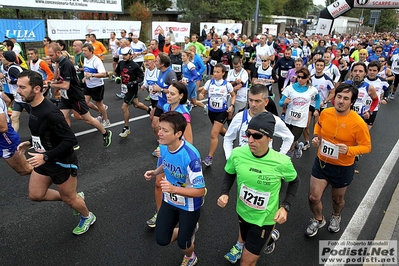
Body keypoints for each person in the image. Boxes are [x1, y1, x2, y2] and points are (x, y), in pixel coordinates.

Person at [16, 70, 96, 235]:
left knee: (69, 199)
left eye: (22, 87)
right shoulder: (33, 108)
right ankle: (75, 197)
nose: (18, 90)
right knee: (36, 195)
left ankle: (87, 216)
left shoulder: (51, 113)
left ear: (36, 89)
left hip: (62, 162)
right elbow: (45, 132)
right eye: (18, 86)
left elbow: (70, 140)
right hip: (44, 160)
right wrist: (30, 142)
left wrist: (46, 156)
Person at [218, 112, 300, 266]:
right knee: (247, 244)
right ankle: (266, 241)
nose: (250, 140)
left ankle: (268, 237)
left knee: (246, 262)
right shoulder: (237, 154)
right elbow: (229, 173)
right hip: (242, 213)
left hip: (264, 220)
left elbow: (295, 182)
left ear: (270, 138)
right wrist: (224, 193)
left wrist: (285, 207)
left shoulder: (281, 162)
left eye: (257, 136)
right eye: (248, 134)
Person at [305, 83, 372, 237]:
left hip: (343, 167)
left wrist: (350, 150)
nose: (341, 101)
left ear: (352, 102)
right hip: (321, 162)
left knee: (337, 198)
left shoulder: (358, 123)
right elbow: (318, 127)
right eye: (339, 97)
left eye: (346, 98)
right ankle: (318, 219)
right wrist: (316, 137)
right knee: (313, 197)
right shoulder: (326, 113)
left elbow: (367, 146)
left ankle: (336, 216)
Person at [144, 111, 205, 266]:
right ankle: (189, 230)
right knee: (161, 239)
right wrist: (155, 172)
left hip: (189, 205)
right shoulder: (163, 146)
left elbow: (200, 191)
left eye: (165, 130)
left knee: (183, 244)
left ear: (178, 133)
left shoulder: (191, 157)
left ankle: (190, 256)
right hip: (170, 201)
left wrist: (173, 189)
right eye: (160, 129)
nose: (160, 133)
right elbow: (167, 164)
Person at [146, 83, 194, 228]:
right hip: (165, 152)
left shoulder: (184, 114)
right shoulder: (167, 107)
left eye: (173, 94)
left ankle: (192, 205)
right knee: (158, 183)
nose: (168, 96)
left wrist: (173, 149)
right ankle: (160, 214)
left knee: (180, 184)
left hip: (177, 154)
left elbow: (189, 141)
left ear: (181, 96)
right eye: (168, 93)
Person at [46, 43, 112, 148]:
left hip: (75, 97)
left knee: (88, 119)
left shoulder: (67, 64)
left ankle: (105, 133)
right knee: (61, 118)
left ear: (58, 52)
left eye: (51, 55)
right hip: (66, 97)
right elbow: (56, 79)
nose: (49, 58)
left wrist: (51, 85)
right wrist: (56, 68)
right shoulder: (60, 63)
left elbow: (66, 85)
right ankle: (71, 140)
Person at [199, 63, 236, 166]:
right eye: (214, 72)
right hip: (211, 112)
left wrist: (231, 105)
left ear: (223, 73)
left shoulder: (227, 84)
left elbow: (233, 95)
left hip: (222, 112)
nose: (215, 74)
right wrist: (201, 95)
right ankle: (230, 137)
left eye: (218, 72)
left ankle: (209, 157)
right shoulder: (209, 83)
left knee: (213, 134)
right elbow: (202, 92)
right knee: (219, 130)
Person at [279, 67, 320, 158]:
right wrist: (284, 102)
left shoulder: (312, 89)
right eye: (299, 77)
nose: (300, 79)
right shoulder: (289, 88)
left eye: (303, 77)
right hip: (289, 119)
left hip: (301, 121)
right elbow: (280, 103)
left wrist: (317, 109)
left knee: (291, 140)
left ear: (308, 77)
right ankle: (298, 146)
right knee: (286, 139)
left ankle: (286, 160)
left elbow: (317, 98)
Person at [115, 47, 149, 138]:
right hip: (124, 88)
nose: (124, 56)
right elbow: (117, 73)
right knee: (136, 104)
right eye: (123, 55)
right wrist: (117, 78)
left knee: (124, 107)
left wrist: (134, 82)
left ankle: (126, 128)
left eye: (126, 55)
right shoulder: (121, 63)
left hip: (132, 89)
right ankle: (149, 110)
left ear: (130, 55)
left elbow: (142, 77)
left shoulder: (135, 65)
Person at [150, 53, 177, 151]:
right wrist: (155, 89)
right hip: (160, 103)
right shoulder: (160, 71)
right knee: (154, 125)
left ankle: (166, 145)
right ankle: (162, 143)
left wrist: (160, 89)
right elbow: (160, 85)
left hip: (168, 105)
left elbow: (174, 90)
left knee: (168, 127)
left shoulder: (170, 73)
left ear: (162, 64)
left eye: (156, 61)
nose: (154, 62)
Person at [0, 94, 32, 175]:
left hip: (4, 138)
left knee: (25, 170)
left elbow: (3, 128)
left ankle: (55, 172)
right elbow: (7, 100)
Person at [82, 43, 110, 127]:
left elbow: (104, 74)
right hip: (88, 85)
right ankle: (101, 110)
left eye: (85, 51)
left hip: (97, 86)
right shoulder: (85, 59)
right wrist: (85, 77)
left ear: (91, 51)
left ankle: (106, 120)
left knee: (99, 104)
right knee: (84, 102)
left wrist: (92, 75)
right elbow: (86, 71)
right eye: (83, 51)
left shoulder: (97, 61)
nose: (83, 52)